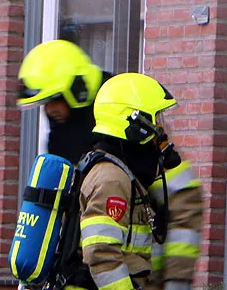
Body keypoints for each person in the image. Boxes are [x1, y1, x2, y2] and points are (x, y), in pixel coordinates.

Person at [17, 42, 203, 290]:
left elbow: (184, 198)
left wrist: (175, 281)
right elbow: (99, 248)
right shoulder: (68, 141)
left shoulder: (129, 115)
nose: (50, 110)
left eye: (54, 100)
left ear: (77, 90)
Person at [79, 73, 192, 290]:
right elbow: (101, 253)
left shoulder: (126, 175)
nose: (162, 130)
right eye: (156, 120)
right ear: (137, 125)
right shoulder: (111, 180)